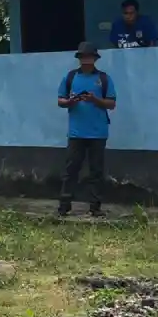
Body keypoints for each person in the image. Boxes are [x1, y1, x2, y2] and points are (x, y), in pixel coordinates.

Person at [56, 42, 117, 218]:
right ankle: (64, 206)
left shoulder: (104, 79)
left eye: (89, 57)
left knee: (96, 171)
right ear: (79, 58)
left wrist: (94, 100)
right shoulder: (70, 77)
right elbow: (60, 100)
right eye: (83, 57)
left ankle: (95, 207)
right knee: (70, 170)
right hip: (76, 133)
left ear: (95, 59)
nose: (86, 60)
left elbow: (111, 103)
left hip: (98, 132)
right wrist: (70, 102)